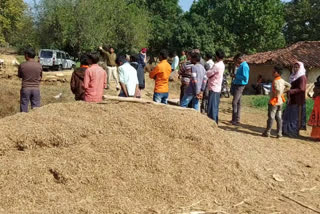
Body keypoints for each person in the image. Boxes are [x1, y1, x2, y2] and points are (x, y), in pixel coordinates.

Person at [262, 65, 291, 138]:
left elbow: (278, 90)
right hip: (280, 101)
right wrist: (282, 93)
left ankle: (268, 132)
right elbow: (289, 86)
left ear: (277, 73)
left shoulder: (275, 81)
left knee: (271, 117)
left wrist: (277, 94)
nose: (272, 72)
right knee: (279, 117)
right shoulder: (282, 80)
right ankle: (279, 133)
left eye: (274, 71)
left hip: (274, 101)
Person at [282, 61, 307, 137]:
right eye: (294, 67)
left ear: (300, 68)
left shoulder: (302, 77)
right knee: (289, 115)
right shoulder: (293, 76)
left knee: (294, 116)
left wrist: (290, 91)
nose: (295, 69)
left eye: (297, 67)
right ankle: (287, 130)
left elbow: (302, 89)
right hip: (292, 99)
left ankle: (293, 132)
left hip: (298, 100)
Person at [18, 48, 42, 112]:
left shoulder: (22, 65)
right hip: (36, 89)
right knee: (36, 109)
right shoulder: (39, 65)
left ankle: (22, 120)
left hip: (25, 88)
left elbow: (20, 76)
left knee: (24, 107)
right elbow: (40, 77)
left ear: (27, 55)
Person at [206, 50, 226, 123]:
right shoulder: (222, 64)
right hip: (217, 87)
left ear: (217, 56)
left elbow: (209, 74)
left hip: (213, 87)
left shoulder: (216, 65)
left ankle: (212, 122)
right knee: (215, 106)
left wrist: (207, 71)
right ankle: (215, 121)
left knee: (212, 107)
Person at [231, 53, 250, 125]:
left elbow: (245, 78)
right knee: (238, 102)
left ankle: (235, 120)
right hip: (238, 84)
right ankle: (237, 119)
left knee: (234, 102)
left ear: (239, 59)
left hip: (240, 85)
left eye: (236, 60)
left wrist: (235, 76)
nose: (236, 62)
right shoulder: (241, 66)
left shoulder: (244, 66)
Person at [308, 76, 320, 141]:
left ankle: (317, 136)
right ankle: (316, 136)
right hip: (317, 109)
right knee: (317, 123)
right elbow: (314, 95)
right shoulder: (316, 89)